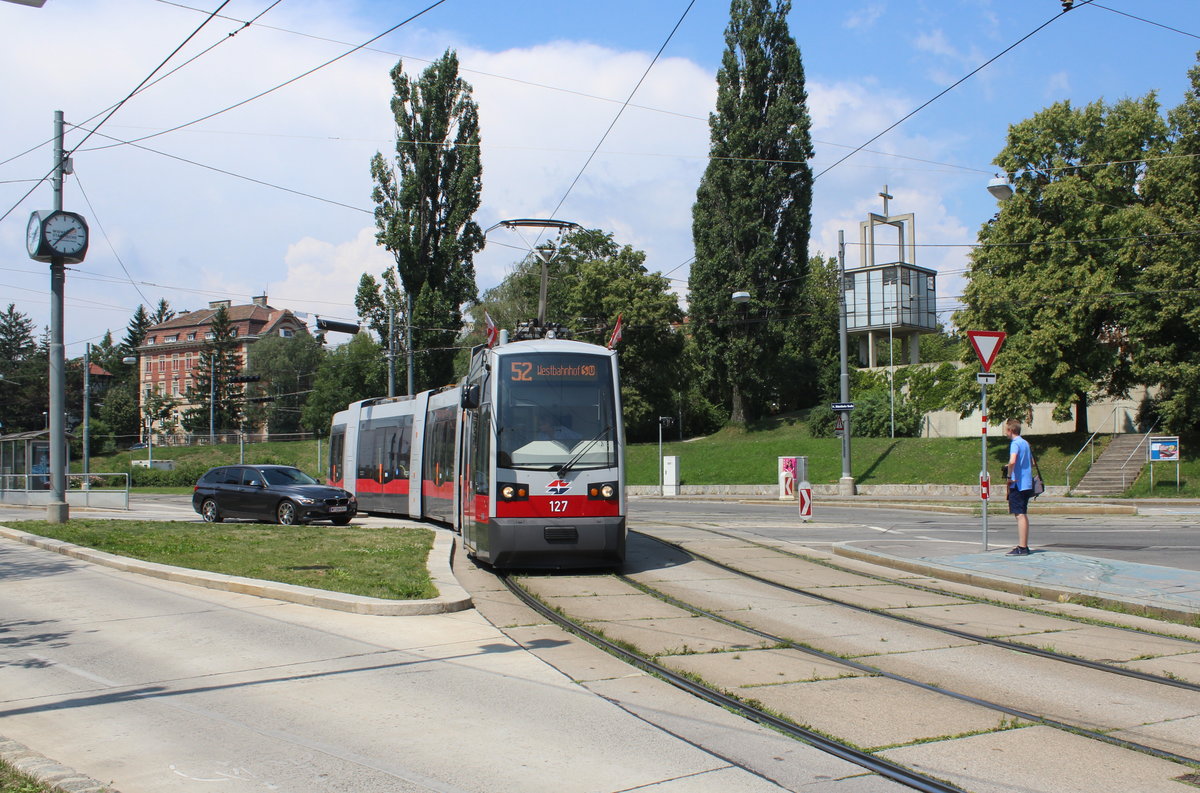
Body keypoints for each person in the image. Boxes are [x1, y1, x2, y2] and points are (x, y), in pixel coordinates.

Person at [1003, 418, 1035, 556]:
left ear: (1011, 430)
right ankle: (1024, 545)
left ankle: (1022, 547)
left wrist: (1009, 476)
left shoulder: (1015, 443)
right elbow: (1032, 463)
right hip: (1027, 483)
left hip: (1018, 483)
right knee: (1023, 513)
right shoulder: (1025, 443)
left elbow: (1012, 461)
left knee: (1019, 514)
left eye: (1006, 430)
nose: (1005, 432)